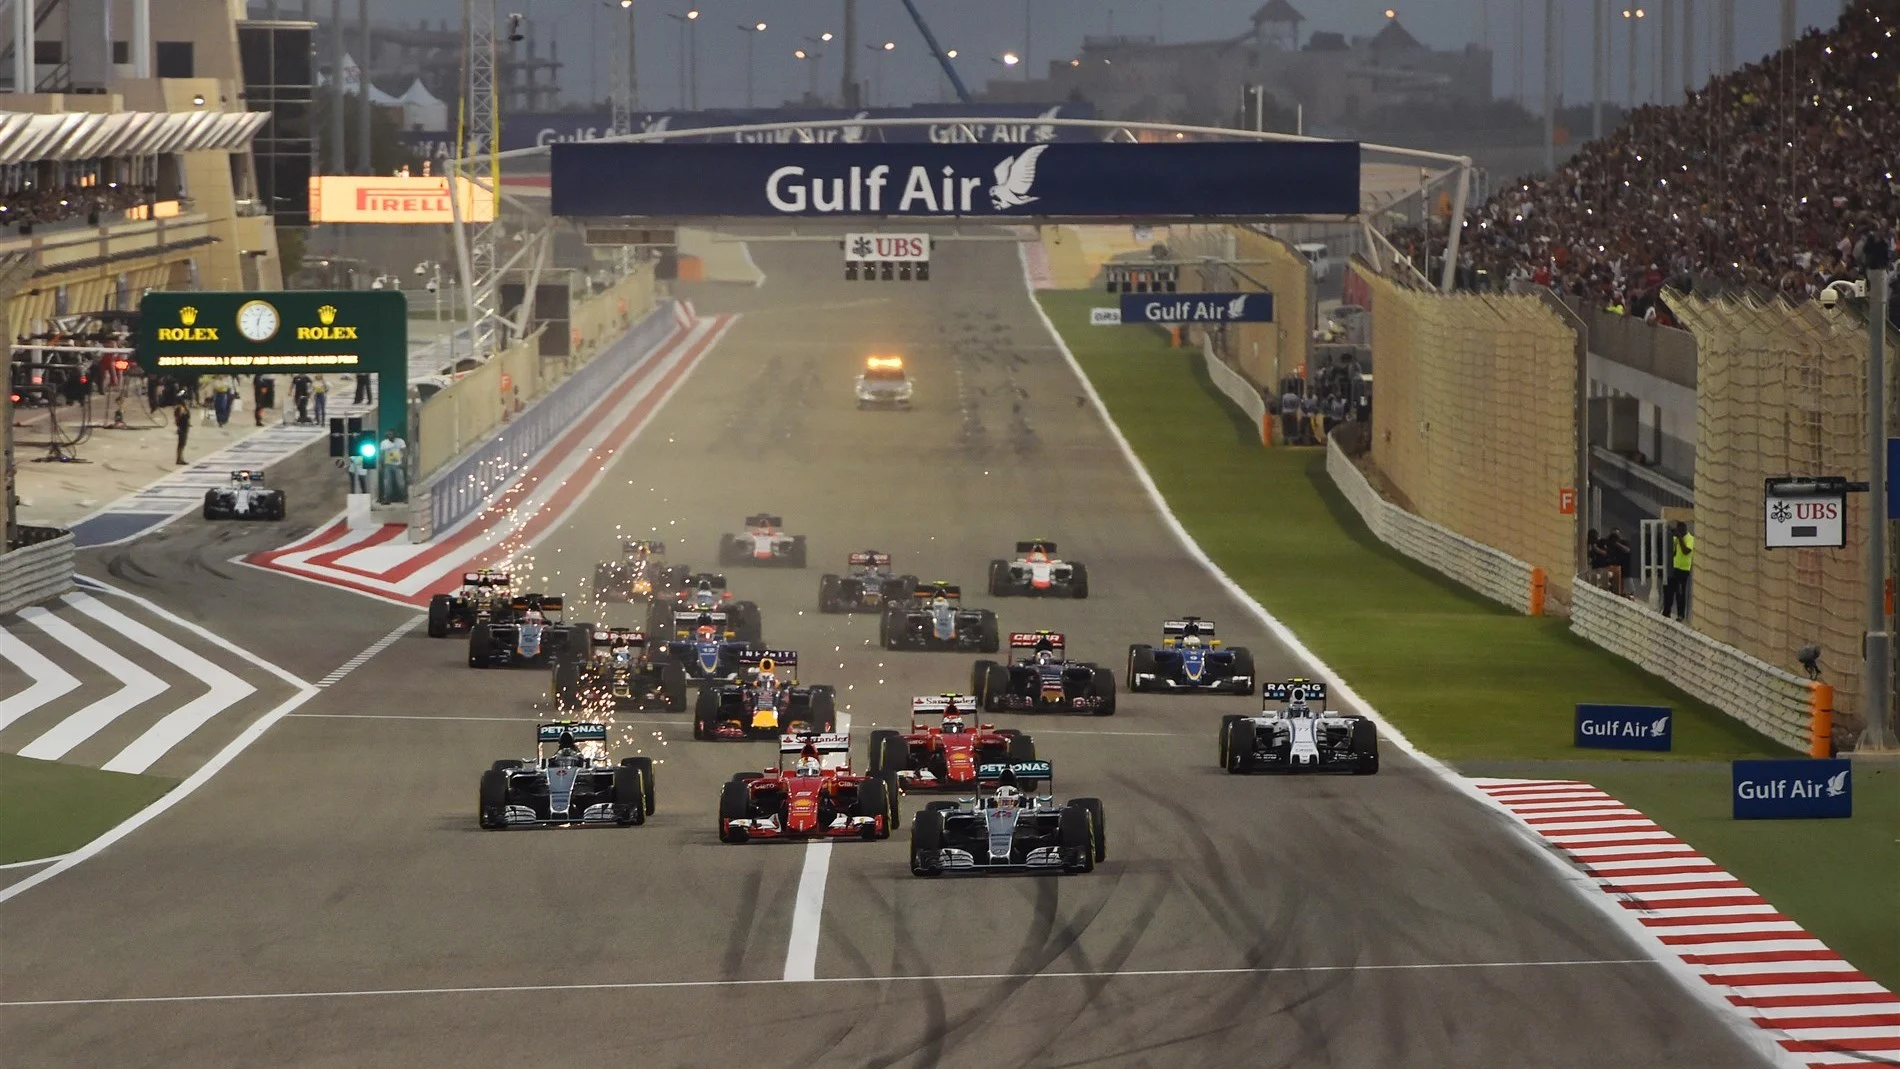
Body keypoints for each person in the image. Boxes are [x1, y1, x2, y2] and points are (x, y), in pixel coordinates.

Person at [1662, 522, 1694, 620]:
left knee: (1680, 592)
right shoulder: (1675, 539)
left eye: (1679, 530)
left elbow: (1686, 551)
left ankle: (1680, 615)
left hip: (1683, 570)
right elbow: (1672, 551)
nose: (1678, 532)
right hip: (1673, 568)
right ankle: (1666, 611)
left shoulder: (1690, 539)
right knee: (1669, 590)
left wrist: (1680, 538)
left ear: (1684, 529)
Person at [172, 399, 190, 465]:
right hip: (182, 429)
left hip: (184, 429)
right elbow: (183, 418)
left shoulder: (183, 410)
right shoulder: (180, 410)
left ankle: (180, 458)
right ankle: (179, 459)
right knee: (181, 445)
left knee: (182, 445)